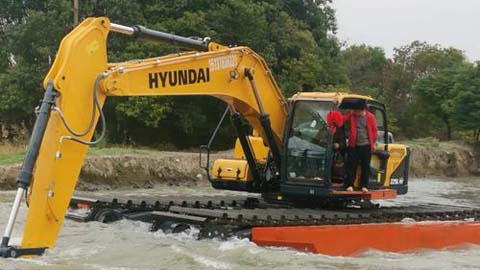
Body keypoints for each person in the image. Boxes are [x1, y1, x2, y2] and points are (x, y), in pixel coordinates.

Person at [327, 104, 378, 192]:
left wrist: (373, 144)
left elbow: (374, 131)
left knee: (365, 166)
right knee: (351, 166)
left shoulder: (370, 117)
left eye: (356, 111)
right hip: (354, 145)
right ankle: (350, 185)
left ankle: (364, 186)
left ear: (362, 110)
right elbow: (342, 120)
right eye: (354, 111)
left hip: (366, 145)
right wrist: (334, 116)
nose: (355, 112)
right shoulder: (352, 115)